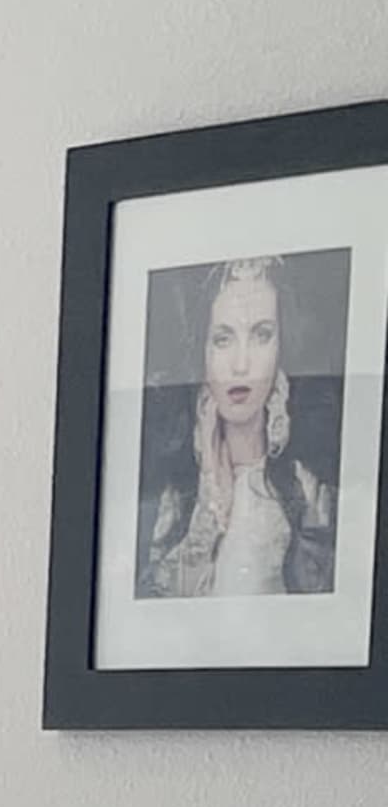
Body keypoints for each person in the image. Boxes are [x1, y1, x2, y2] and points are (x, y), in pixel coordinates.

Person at [140, 254, 337, 598]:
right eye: (223, 339)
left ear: (281, 347)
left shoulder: (312, 493)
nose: (242, 364)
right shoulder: (172, 502)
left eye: (262, 335)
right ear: (203, 351)